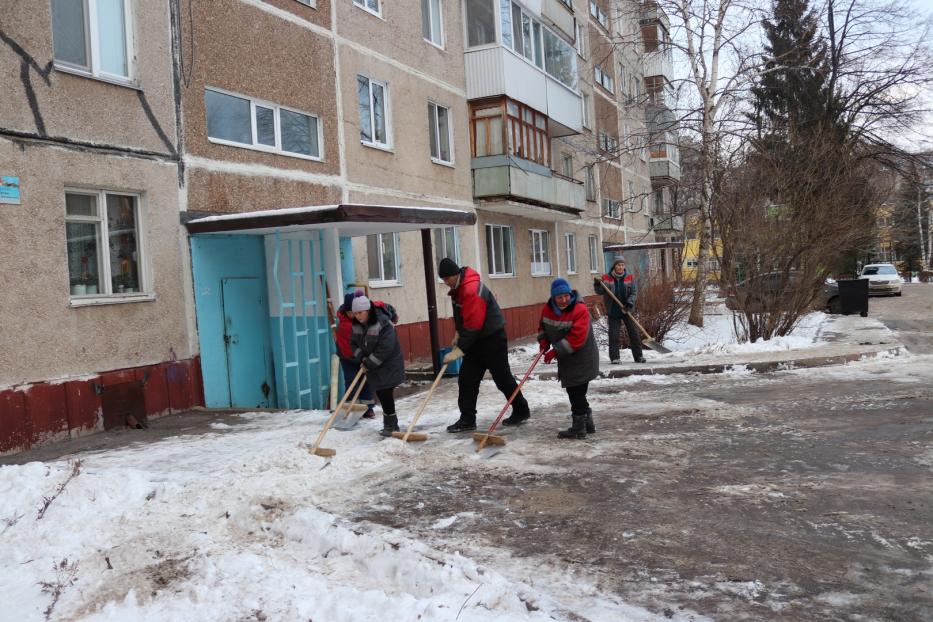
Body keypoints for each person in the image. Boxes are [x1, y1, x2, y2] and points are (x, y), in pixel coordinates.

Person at [438, 258, 531, 432]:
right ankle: (467, 420)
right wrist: (458, 333)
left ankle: (521, 410)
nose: (445, 283)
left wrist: (459, 349)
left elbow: (474, 324)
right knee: (467, 380)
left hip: (492, 339)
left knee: (502, 378)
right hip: (475, 341)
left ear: (455, 275)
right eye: (443, 280)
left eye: (446, 279)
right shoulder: (457, 288)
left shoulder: (471, 289)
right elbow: (464, 317)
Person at [538, 278, 600, 439]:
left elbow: (576, 338)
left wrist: (555, 352)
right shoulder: (547, 309)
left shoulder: (579, 310)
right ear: (553, 297)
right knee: (576, 392)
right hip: (567, 358)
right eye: (560, 297)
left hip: (583, 357)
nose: (564, 300)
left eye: (566, 296)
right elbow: (543, 327)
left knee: (576, 392)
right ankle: (587, 423)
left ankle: (579, 428)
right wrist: (543, 342)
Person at [350, 296, 406, 437]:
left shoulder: (383, 323)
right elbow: (354, 344)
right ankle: (390, 424)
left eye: (360, 312)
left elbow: (385, 347)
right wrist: (361, 357)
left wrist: (369, 362)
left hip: (389, 363)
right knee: (381, 393)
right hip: (373, 364)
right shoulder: (357, 325)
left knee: (385, 392)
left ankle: (391, 425)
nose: (357, 316)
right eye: (355, 313)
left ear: (368, 310)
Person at [594, 256, 646, 363]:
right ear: (614, 266)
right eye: (618, 265)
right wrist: (597, 284)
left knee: (634, 334)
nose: (621, 267)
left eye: (622, 265)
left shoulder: (629, 277)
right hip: (613, 311)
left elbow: (633, 292)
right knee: (614, 335)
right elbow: (600, 291)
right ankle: (615, 358)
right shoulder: (606, 278)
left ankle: (639, 356)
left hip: (627, 310)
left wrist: (629, 303)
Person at [336, 289, 375, 419]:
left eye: (355, 312)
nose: (353, 315)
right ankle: (351, 408)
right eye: (350, 312)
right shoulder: (345, 325)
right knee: (351, 382)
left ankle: (368, 408)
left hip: (361, 357)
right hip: (347, 358)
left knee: (366, 381)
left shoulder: (362, 320)